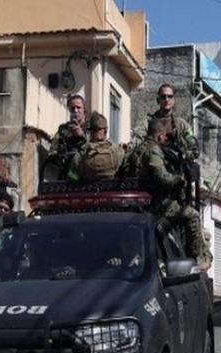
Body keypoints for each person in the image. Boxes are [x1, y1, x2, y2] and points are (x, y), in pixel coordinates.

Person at [126, 119, 207, 268]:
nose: (164, 140)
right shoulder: (154, 149)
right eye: (163, 137)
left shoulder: (137, 150)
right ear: (159, 135)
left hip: (139, 202)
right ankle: (198, 259)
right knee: (192, 215)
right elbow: (161, 177)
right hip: (157, 204)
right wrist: (178, 179)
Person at [68, 112, 124, 182]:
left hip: (87, 192)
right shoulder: (117, 151)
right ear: (106, 131)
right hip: (111, 191)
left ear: (90, 131)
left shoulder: (82, 153)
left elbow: (72, 179)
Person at [149, 83, 199, 160]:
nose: (166, 99)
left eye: (170, 96)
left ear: (173, 101)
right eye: (163, 97)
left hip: (176, 167)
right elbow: (138, 135)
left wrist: (182, 155)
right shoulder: (149, 122)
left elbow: (194, 148)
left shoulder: (181, 124)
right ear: (158, 100)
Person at [50, 94, 89, 175]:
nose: (75, 110)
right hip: (67, 173)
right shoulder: (63, 129)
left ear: (84, 111)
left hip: (87, 173)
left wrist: (82, 135)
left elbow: (97, 147)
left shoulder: (91, 128)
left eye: (78, 107)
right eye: (72, 108)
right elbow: (52, 151)